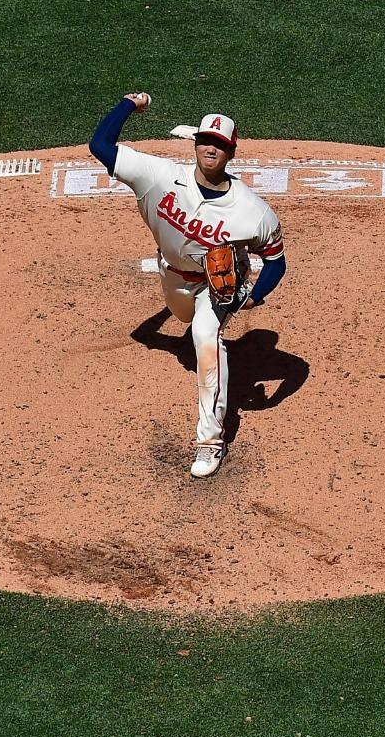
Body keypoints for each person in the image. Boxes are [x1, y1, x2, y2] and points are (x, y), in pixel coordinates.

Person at [89, 92, 287, 478]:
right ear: (195, 145)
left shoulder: (253, 212)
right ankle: (188, 316)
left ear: (230, 153)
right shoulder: (159, 176)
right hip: (172, 278)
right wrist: (129, 105)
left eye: (220, 145)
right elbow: (100, 145)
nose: (212, 149)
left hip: (216, 290)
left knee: (205, 339)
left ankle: (210, 442)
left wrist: (251, 299)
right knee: (182, 318)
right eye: (206, 142)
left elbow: (277, 263)